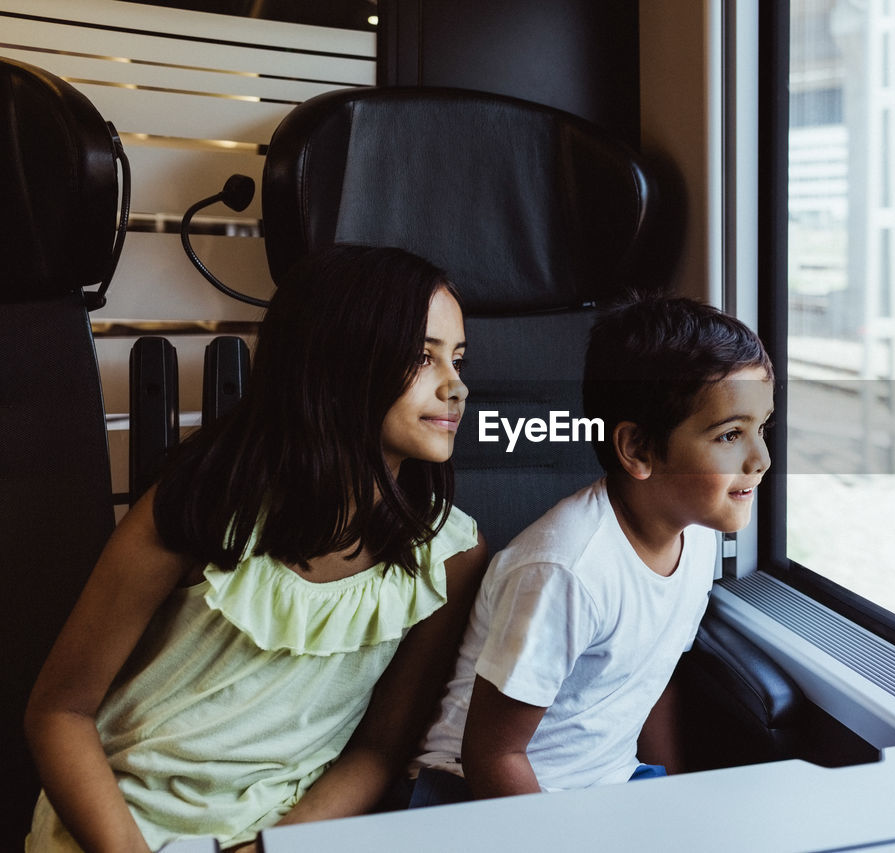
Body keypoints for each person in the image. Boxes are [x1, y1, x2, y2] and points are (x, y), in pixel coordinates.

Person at [24, 244, 488, 852]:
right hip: (118, 827)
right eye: (422, 357)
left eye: (456, 358)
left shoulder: (450, 556)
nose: (456, 385)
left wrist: (271, 848)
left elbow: (377, 750)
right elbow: (59, 712)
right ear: (336, 361)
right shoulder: (200, 509)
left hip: (278, 835)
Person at [408, 294, 773, 805]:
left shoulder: (698, 536)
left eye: (762, 428)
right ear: (639, 450)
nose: (761, 458)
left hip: (603, 785)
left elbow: (651, 680)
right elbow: (493, 755)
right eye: (731, 434)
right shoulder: (566, 571)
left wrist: (671, 793)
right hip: (473, 791)